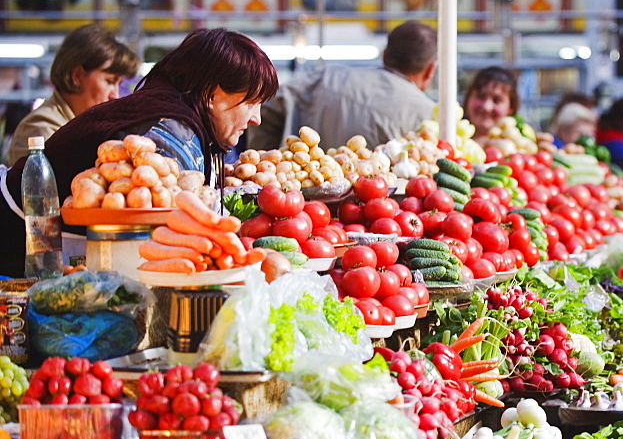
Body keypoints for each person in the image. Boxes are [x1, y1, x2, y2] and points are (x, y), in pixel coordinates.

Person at [0, 27, 277, 277]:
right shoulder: (169, 132)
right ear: (212, 94)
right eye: (252, 102)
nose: (257, 119)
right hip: (17, 245)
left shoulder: (169, 113)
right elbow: (163, 236)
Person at [247, 20, 437, 151]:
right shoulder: (429, 115)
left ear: (384, 55)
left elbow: (267, 107)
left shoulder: (327, 76)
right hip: (381, 208)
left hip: (297, 203)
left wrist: (271, 165)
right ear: (430, 70)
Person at [8, 23, 140, 165]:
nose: (115, 95)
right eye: (109, 81)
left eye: (118, 84)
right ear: (76, 76)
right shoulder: (40, 130)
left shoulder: (89, 127)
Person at [463, 66, 518, 145]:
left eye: (497, 100)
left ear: (511, 108)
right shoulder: (446, 136)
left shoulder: (524, 148)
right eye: (481, 96)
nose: (486, 107)